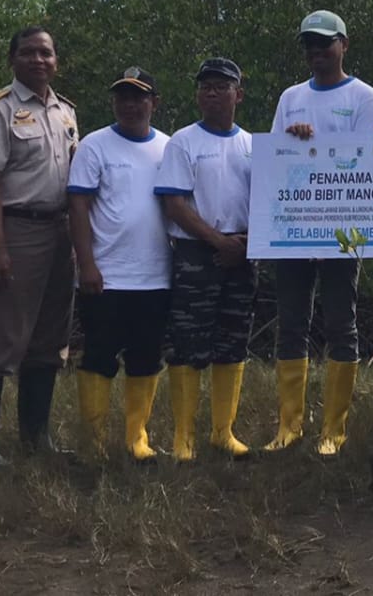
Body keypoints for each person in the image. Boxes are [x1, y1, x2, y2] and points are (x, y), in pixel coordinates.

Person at [268, 9, 373, 455]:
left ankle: (334, 431)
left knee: (342, 323)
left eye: (325, 43)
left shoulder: (363, 96)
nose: (317, 52)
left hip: (342, 229)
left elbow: (367, 160)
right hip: (294, 228)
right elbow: (279, 159)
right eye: (310, 45)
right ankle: (289, 427)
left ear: (344, 44)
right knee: (291, 324)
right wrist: (296, 140)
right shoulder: (291, 97)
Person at [0, 26, 78, 472]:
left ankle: (36, 437)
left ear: (56, 61)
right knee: (1, 337)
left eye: (45, 53)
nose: (38, 60)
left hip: (60, 232)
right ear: (12, 60)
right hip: (16, 230)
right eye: (28, 53)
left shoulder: (65, 111)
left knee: (50, 339)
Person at [153, 58, 255, 461]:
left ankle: (222, 432)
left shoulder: (251, 144)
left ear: (238, 94)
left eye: (221, 85)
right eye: (205, 86)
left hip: (244, 253)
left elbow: (270, 202)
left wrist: (243, 244)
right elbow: (174, 205)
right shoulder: (183, 141)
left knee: (233, 340)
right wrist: (217, 242)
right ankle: (183, 437)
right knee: (188, 342)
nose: (211, 92)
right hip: (198, 253)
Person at [68, 67, 171, 463]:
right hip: (106, 276)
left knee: (146, 358)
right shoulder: (95, 146)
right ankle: (92, 441)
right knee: (98, 356)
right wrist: (86, 264)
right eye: (123, 97)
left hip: (156, 276)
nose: (130, 104)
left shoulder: (169, 147)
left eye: (139, 97)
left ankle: (136, 438)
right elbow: (78, 207)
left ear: (154, 103)